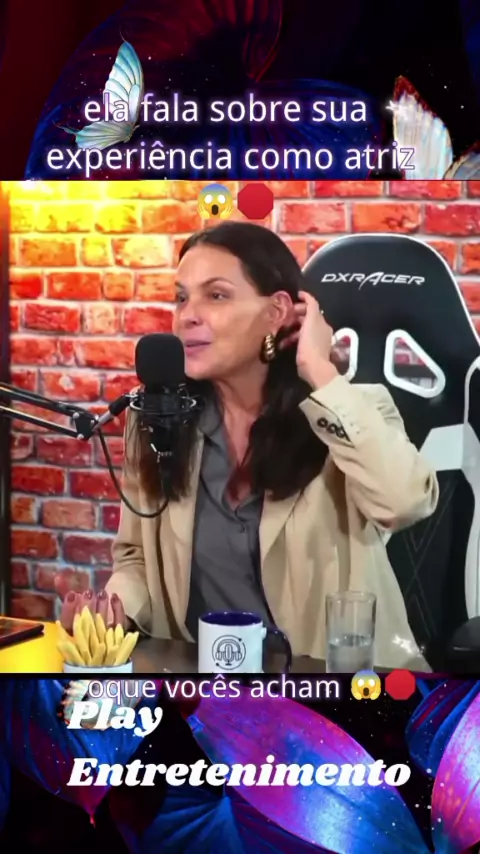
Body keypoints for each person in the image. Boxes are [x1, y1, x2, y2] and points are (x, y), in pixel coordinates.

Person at [58, 222, 438, 668]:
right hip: (205, 683)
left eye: (216, 295)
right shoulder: (157, 422)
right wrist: (113, 613)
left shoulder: (346, 411)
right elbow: (137, 558)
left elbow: (404, 502)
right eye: (181, 298)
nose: (188, 315)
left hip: (330, 683)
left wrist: (318, 368)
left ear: (276, 312)